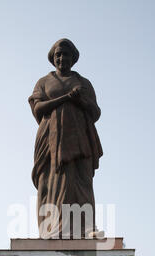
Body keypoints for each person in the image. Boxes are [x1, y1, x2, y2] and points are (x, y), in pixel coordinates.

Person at [28, 38, 104, 239]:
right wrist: (66, 98)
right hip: (50, 138)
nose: (62, 58)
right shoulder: (43, 82)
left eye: (66, 55)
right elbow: (38, 108)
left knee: (81, 181)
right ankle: (50, 229)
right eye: (58, 55)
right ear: (53, 59)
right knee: (51, 182)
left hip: (80, 138)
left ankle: (87, 229)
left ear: (73, 58)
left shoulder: (83, 83)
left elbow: (96, 113)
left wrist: (81, 100)